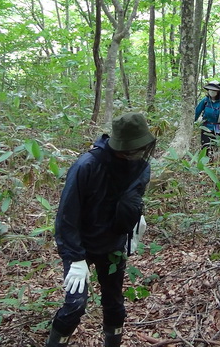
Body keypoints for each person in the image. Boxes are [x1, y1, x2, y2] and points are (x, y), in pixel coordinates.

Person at [45, 112, 156, 347]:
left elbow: (134, 197)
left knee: (114, 304)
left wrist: (137, 221)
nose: (137, 153)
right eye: (132, 148)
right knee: (76, 304)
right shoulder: (87, 166)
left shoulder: (141, 168)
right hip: (81, 246)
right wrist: (75, 258)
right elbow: (67, 216)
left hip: (113, 244)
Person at [195, 80, 220, 157]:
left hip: (217, 128)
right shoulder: (205, 101)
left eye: (214, 90)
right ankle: (204, 162)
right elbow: (197, 112)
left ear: (218, 91)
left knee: (215, 147)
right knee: (205, 146)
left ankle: (212, 162)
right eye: (210, 90)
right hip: (206, 127)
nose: (212, 92)